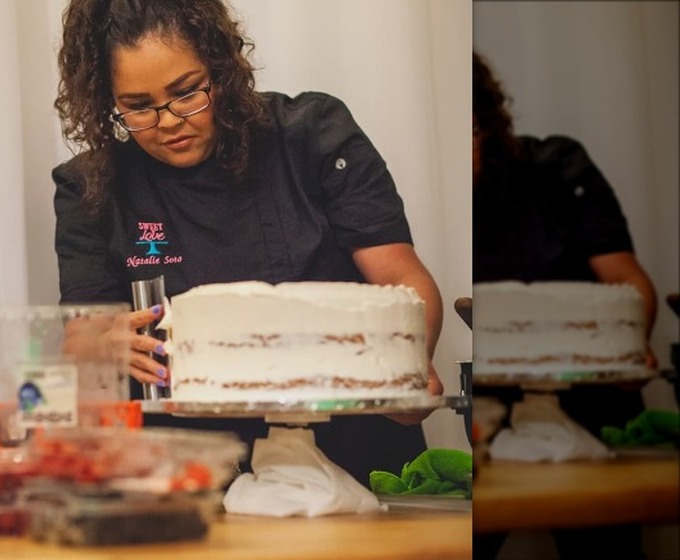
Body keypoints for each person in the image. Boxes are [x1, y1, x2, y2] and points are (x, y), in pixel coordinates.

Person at [52, 0, 444, 481]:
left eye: (187, 92)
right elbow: (81, 336)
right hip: (189, 475)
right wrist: (105, 344)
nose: (170, 121)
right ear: (106, 101)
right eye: (138, 107)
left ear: (220, 67)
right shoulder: (92, 186)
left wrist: (408, 366)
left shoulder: (313, 136)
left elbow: (401, 277)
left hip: (359, 454)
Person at [472, 50, 657, 560]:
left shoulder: (556, 166)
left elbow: (626, 279)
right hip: (489, 418)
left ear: (487, 119)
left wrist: (629, 347)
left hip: (592, 406)